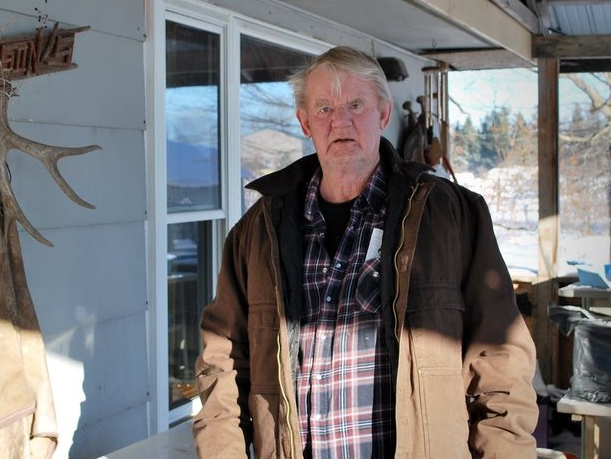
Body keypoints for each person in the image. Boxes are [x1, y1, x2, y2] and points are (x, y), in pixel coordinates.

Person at [193, 46, 538, 458]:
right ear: (305, 122)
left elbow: (500, 365)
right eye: (324, 108)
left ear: (383, 114)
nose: (340, 121)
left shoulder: (450, 217)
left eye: (356, 105)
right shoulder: (258, 231)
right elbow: (223, 363)